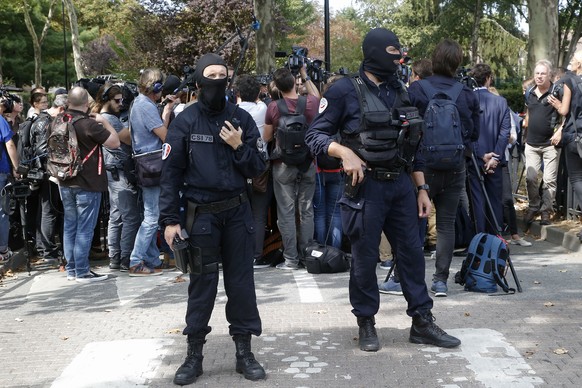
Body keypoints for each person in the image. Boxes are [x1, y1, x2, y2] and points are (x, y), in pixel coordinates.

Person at [305, 27, 461, 352]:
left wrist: (421, 187)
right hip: (365, 189)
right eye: (392, 51)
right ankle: (366, 322)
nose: (397, 57)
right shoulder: (343, 91)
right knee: (364, 259)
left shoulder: (401, 90)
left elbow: (414, 144)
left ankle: (422, 322)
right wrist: (343, 152)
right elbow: (314, 136)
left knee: (413, 256)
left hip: (402, 186)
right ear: (374, 51)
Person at [160, 53, 267, 385]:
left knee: (241, 285)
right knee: (202, 287)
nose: (217, 81)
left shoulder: (242, 119)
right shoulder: (185, 121)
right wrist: (169, 219)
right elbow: (170, 174)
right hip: (200, 216)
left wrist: (238, 146)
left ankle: (244, 353)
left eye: (223, 75)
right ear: (198, 81)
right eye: (211, 75)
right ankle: (194, 355)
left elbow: (258, 167)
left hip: (236, 213)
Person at [407, 39, 480, 297]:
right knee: (446, 225)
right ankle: (440, 281)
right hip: (455, 167)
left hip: (422, 167)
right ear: (457, 62)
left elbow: (407, 128)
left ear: (434, 60)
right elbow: (474, 133)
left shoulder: (417, 89)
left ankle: (411, 278)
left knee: (415, 222)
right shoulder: (466, 93)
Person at [58, 86, 120, 283]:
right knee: (85, 227)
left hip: (64, 179)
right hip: (87, 182)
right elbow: (115, 142)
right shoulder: (88, 124)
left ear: (68, 102)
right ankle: (82, 271)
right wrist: (103, 121)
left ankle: (72, 269)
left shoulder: (58, 120)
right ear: (86, 104)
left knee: (70, 225)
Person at [263, 68, 320, 270]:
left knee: (285, 213)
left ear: (277, 87)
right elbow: (317, 96)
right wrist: (305, 75)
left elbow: (267, 137)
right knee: (306, 210)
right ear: (296, 83)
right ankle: (306, 256)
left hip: (283, 164)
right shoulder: (311, 103)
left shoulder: (273, 107)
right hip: (307, 162)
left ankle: (291, 259)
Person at [128, 68, 177, 276]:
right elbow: (165, 136)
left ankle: (149, 257)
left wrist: (165, 111)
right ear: (155, 87)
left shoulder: (141, 103)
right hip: (152, 164)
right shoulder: (144, 106)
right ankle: (136, 260)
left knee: (151, 215)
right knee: (151, 216)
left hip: (147, 163)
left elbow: (157, 132)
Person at [92, 84, 140, 271]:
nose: (121, 103)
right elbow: (127, 138)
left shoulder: (100, 117)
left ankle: (115, 256)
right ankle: (125, 257)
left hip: (111, 170)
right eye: (117, 100)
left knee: (116, 216)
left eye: (123, 100)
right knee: (131, 217)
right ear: (106, 100)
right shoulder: (109, 118)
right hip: (119, 171)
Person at [234, 75, 272, 268]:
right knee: (258, 213)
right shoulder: (261, 109)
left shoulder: (233, 112)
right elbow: (259, 100)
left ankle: (239, 253)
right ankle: (257, 254)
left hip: (238, 166)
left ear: (237, 93)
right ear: (258, 93)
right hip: (260, 167)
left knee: (238, 213)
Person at [467, 64, 510, 234]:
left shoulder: (468, 99)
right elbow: (504, 132)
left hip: (475, 159)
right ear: (489, 78)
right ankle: (494, 241)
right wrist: (496, 157)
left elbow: (467, 131)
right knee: (494, 201)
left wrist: (479, 154)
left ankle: (479, 240)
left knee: (477, 201)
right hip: (494, 159)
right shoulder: (500, 101)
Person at [26, 94, 68, 264]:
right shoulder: (45, 122)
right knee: (48, 210)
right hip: (47, 173)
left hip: (46, 172)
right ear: (61, 109)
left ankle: (46, 247)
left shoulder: (43, 120)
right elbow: (43, 151)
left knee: (48, 210)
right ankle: (47, 249)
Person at [523, 60, 565, 228]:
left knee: (549, 180)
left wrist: (560, 131)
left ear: (550, 75)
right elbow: (528, 112)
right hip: (531, 144)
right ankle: (534, 206)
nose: (539, 76)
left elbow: (566, 115)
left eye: (543, 73)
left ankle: (546, 210)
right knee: (531, 178)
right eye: (537, 73)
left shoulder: (557, 92)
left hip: (550, 145)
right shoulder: (529, 92)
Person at [0, 94, 20, 264]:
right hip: (1, 172)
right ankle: (3, 250)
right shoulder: (0, 121)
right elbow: (10, 144)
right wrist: (16, 166)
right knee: (2, 212)